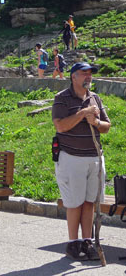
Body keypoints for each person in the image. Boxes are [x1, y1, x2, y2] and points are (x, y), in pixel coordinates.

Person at [52, 62, 111, 261]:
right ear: (73, 77)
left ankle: (87, 241)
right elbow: (60, 126)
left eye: (90, 74)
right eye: (84, 74)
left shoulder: (95, 98)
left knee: (89, 203)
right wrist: (82, 114)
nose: (88, 77)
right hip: (72, 158)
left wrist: (96, 122)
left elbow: (106, 126)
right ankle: (72, 243)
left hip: (94, 158)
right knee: (74, 203)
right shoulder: (62, 99)